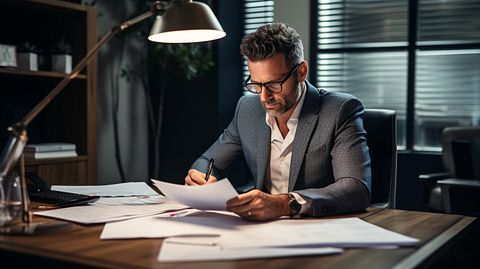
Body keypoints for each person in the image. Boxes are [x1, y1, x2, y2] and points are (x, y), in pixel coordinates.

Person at [185, 23, 371, 221]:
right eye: (256, 84)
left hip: (316, 225)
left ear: (301, 71)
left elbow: (355, 188)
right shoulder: (247, 109)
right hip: (258, 227)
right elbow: (208, 161)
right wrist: (202, 176)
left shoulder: (339, 110)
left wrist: (285, 203)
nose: (264, 97)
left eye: (274, 84)